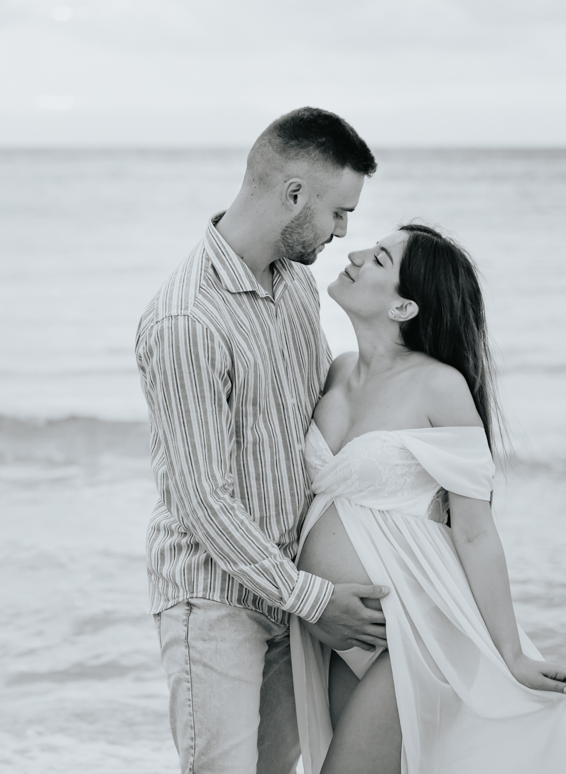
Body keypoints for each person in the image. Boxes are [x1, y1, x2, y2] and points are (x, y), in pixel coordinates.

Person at [135, 107, 387, 774]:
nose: (343, 231)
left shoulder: (298, 286)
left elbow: (323, 423)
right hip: (215, 600)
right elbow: (203, 500)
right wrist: (313, 599)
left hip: (294, 588)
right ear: (294, 195)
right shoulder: (188, 319)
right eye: (339, 212)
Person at [291, 224, 566, 774]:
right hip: (342, 628)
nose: (353, 254)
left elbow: (474, 531)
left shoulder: (439, 386)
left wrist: (511, 654)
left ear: (404, 306)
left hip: (416, 624)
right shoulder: (338, 369)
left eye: (377, 258)